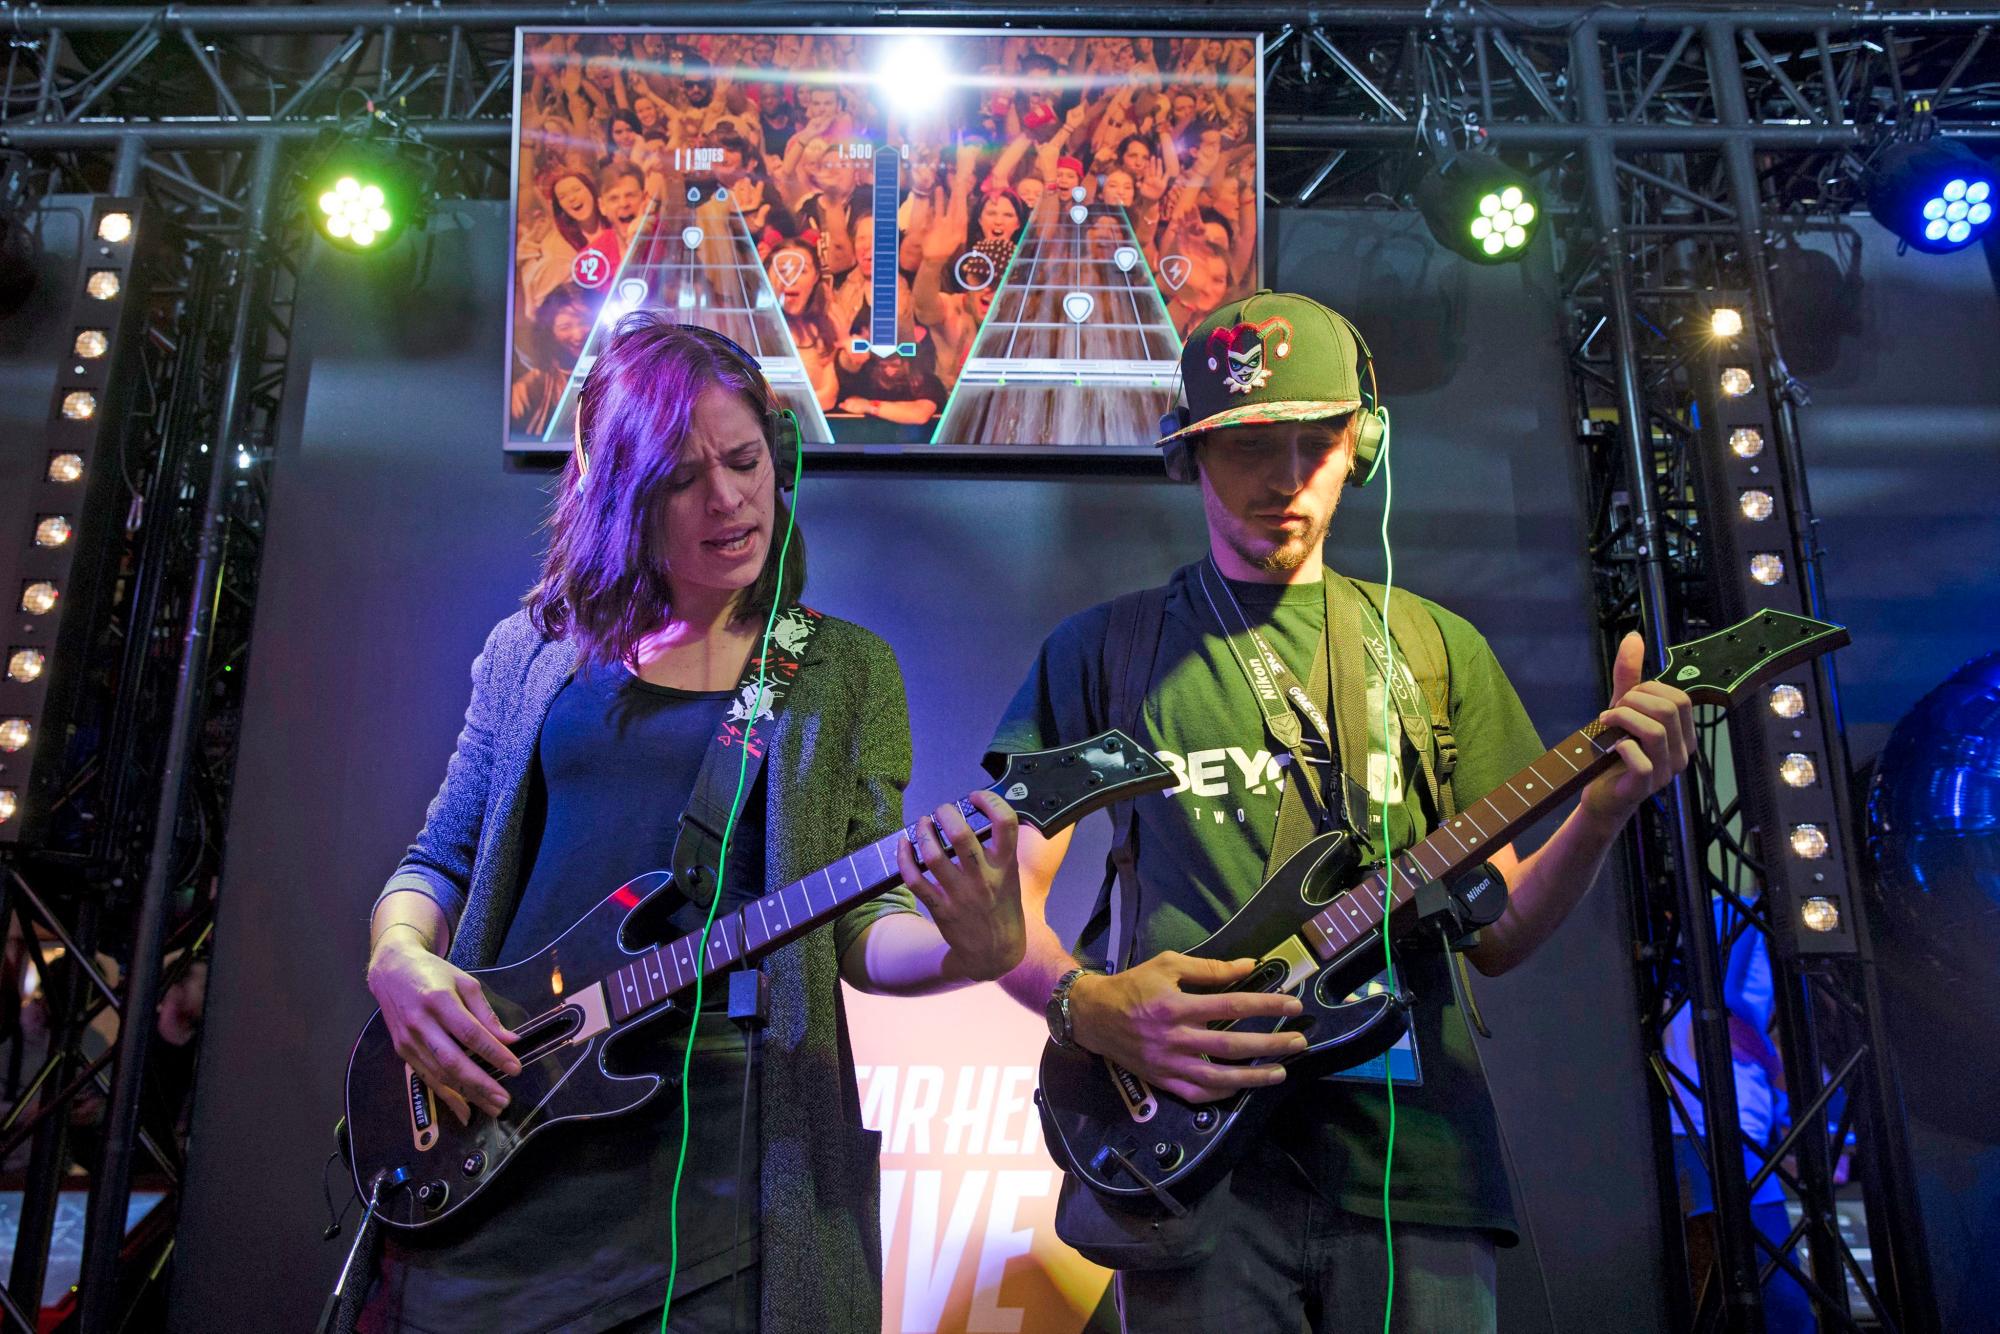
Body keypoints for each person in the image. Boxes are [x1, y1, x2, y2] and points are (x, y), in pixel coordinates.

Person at [987, 291, 1695, 1332]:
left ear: (1361, 446)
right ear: (1189, 455)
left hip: (1417, 1162)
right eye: (1250, 447)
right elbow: (995, 899)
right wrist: (1084, 1003)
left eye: (1315, 444)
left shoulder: (1430, 645)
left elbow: (1493, 928)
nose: (1284, 480)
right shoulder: (1104, 651)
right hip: (1190, 1169)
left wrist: (1599, 810)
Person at [359, 318, 1028, 1334]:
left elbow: (863, 924)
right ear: (620, 496)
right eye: (681, 477)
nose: (727, 498)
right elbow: (439, 854)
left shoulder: (838, 667)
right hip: (506, 1130)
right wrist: (399, 961)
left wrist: (964, 947)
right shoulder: (529, 652)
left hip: (731, 1160)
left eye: (746, 459)